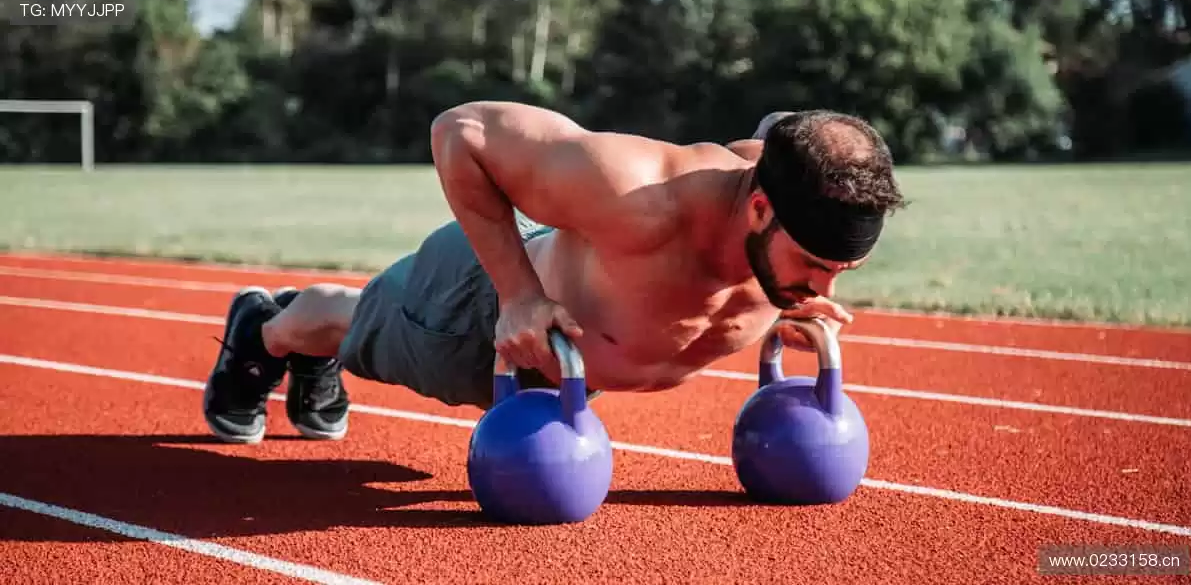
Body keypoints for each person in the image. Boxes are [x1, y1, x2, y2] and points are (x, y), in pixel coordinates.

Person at [201, 102, 907, 444]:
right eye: (814, 269)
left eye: (842, 272)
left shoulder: (788, 190)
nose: (825, 293)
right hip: (475, 314)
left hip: (571, 344)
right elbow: (461, 133)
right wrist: (517, 297)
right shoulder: (640, 192)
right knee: (357, 326)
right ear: (758, 208)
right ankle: (269, 329)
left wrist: (791, 288)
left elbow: (786, 123)